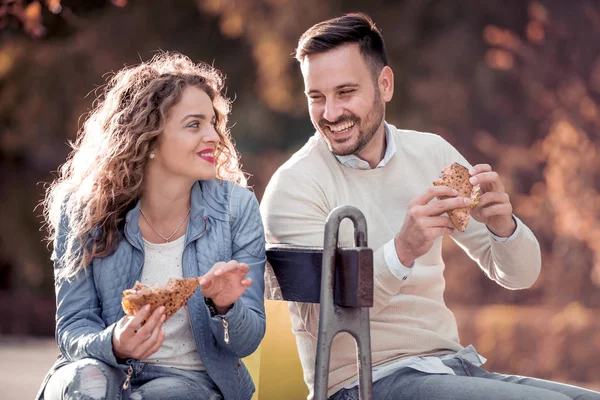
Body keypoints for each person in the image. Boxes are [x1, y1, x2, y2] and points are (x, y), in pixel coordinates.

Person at [260, 13, 600, 400]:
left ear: (384, 84)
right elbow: (332, 320)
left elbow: (519, 276)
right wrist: (402, 250)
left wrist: (503, 228)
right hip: (363, 382)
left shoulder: (430, 152)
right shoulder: (294, 188)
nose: (331, 113)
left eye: (345, 92)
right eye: (316, 97)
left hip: (450, 366)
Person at [36, 52, 266, 400]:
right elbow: (72, 326)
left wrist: (225, 306)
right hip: (102, 368)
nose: (214, 137)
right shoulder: (83, 208)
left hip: (189, 383)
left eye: (213, 123)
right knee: (89, 382)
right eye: (194, 124)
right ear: (149, 137)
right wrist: (114, 343)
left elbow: (246, 342)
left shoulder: (237, 208)